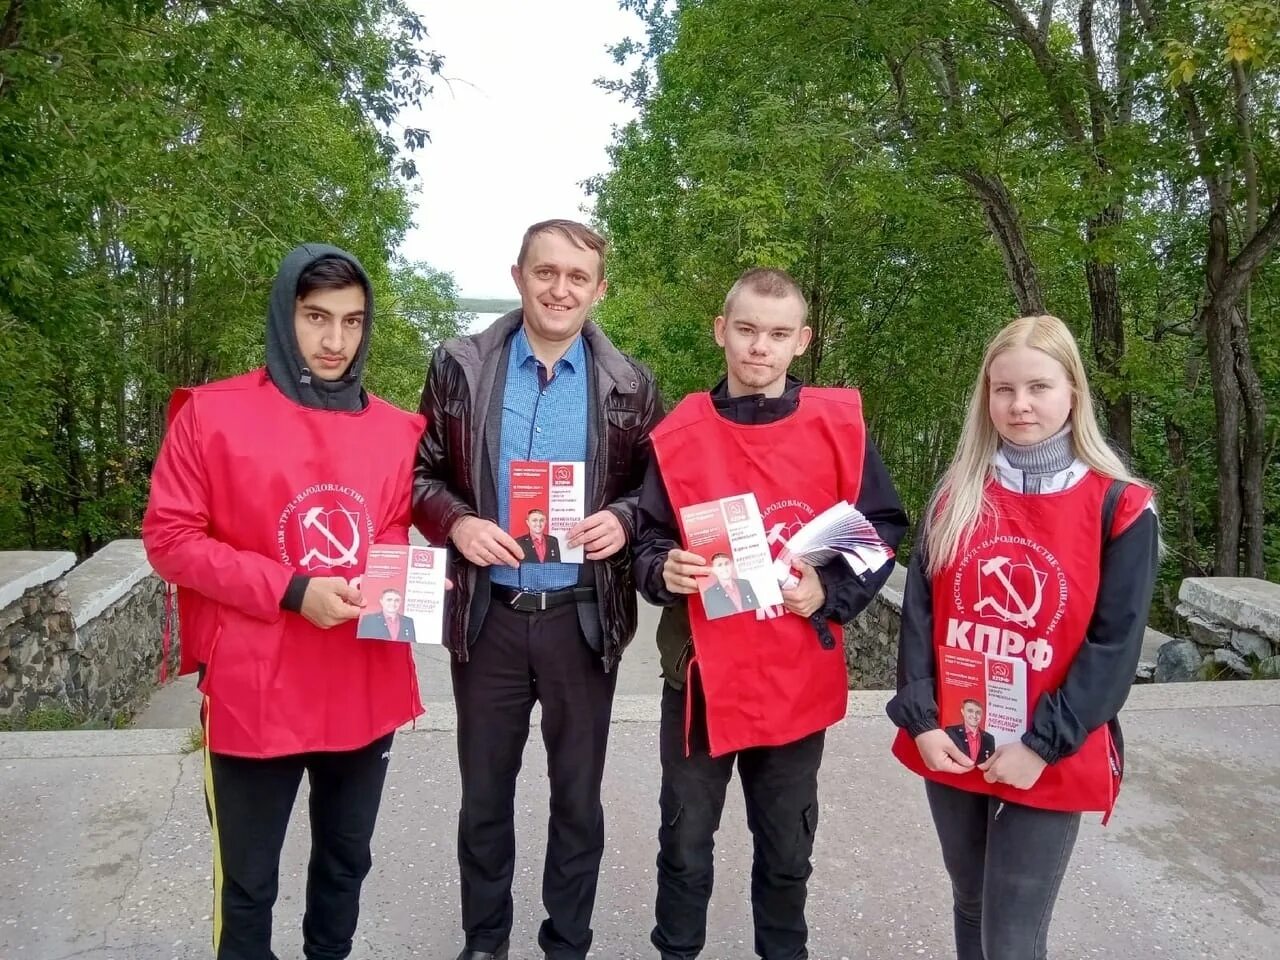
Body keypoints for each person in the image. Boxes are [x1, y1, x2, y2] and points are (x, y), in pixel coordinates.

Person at [142, 245, 426, 960]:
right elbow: (169, 539)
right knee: (248, 885)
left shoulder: (397, 431)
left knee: (344, 866)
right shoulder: (211, 416)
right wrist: (293, 590)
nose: (335, 341)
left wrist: (403, 589)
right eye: (316, 318)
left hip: (362, 683)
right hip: (254, 687)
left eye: (353, 322)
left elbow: (389, 535)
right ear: (284, 316)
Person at [634, 267, 908, 960]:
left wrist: (831, 594)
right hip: (698, 679)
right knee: (685, 844)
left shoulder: (838, 428)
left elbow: (880, 526)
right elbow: (647, 539)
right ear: (722, 331)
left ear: (801, 342)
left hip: (794, 677)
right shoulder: (679, 433)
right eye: (748, 330)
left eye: (778, 334)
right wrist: (663, 570)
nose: (760, 348)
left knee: (787, 849)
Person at [412, 219, 663, 960]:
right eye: (545, 272)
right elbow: (419, 474)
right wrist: (456, 523)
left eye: (576, 277)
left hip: (582, 618)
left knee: (577, 802)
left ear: (598, 290)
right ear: (519, 275)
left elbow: (658, 489)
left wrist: (623, 517)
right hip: (489, 615)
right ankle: (484, 941)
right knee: (484, 799)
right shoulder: (459, 366)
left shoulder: (630, 383)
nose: (560, 289)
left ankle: (567, 943)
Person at [886, 313, 1159, 960]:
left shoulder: (1120, 507)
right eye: (1003, 389)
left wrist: (1040, 744)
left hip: (1049, 745)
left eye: (1038, 387)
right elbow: (922, 619)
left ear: (1073, 392)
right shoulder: (957, 495)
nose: (1020, 404)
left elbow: (1114, 649)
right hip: (956, 734)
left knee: (1011, 935)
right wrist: (923, 719)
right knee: (971, 902)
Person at [699, 552, 760, 618]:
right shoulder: (710, 594)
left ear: (731, 566)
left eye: (726, 564)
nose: (724, 568)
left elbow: (757, 608)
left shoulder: (745, 584)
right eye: (719, 565)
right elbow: (714, 621)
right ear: (714, 570)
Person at [944, 700, 995, 765]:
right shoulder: (951, 732)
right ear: (962, 712)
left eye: (978, 712)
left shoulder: (989, 738)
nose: (974, 715)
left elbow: (990, 764)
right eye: (970, 711)